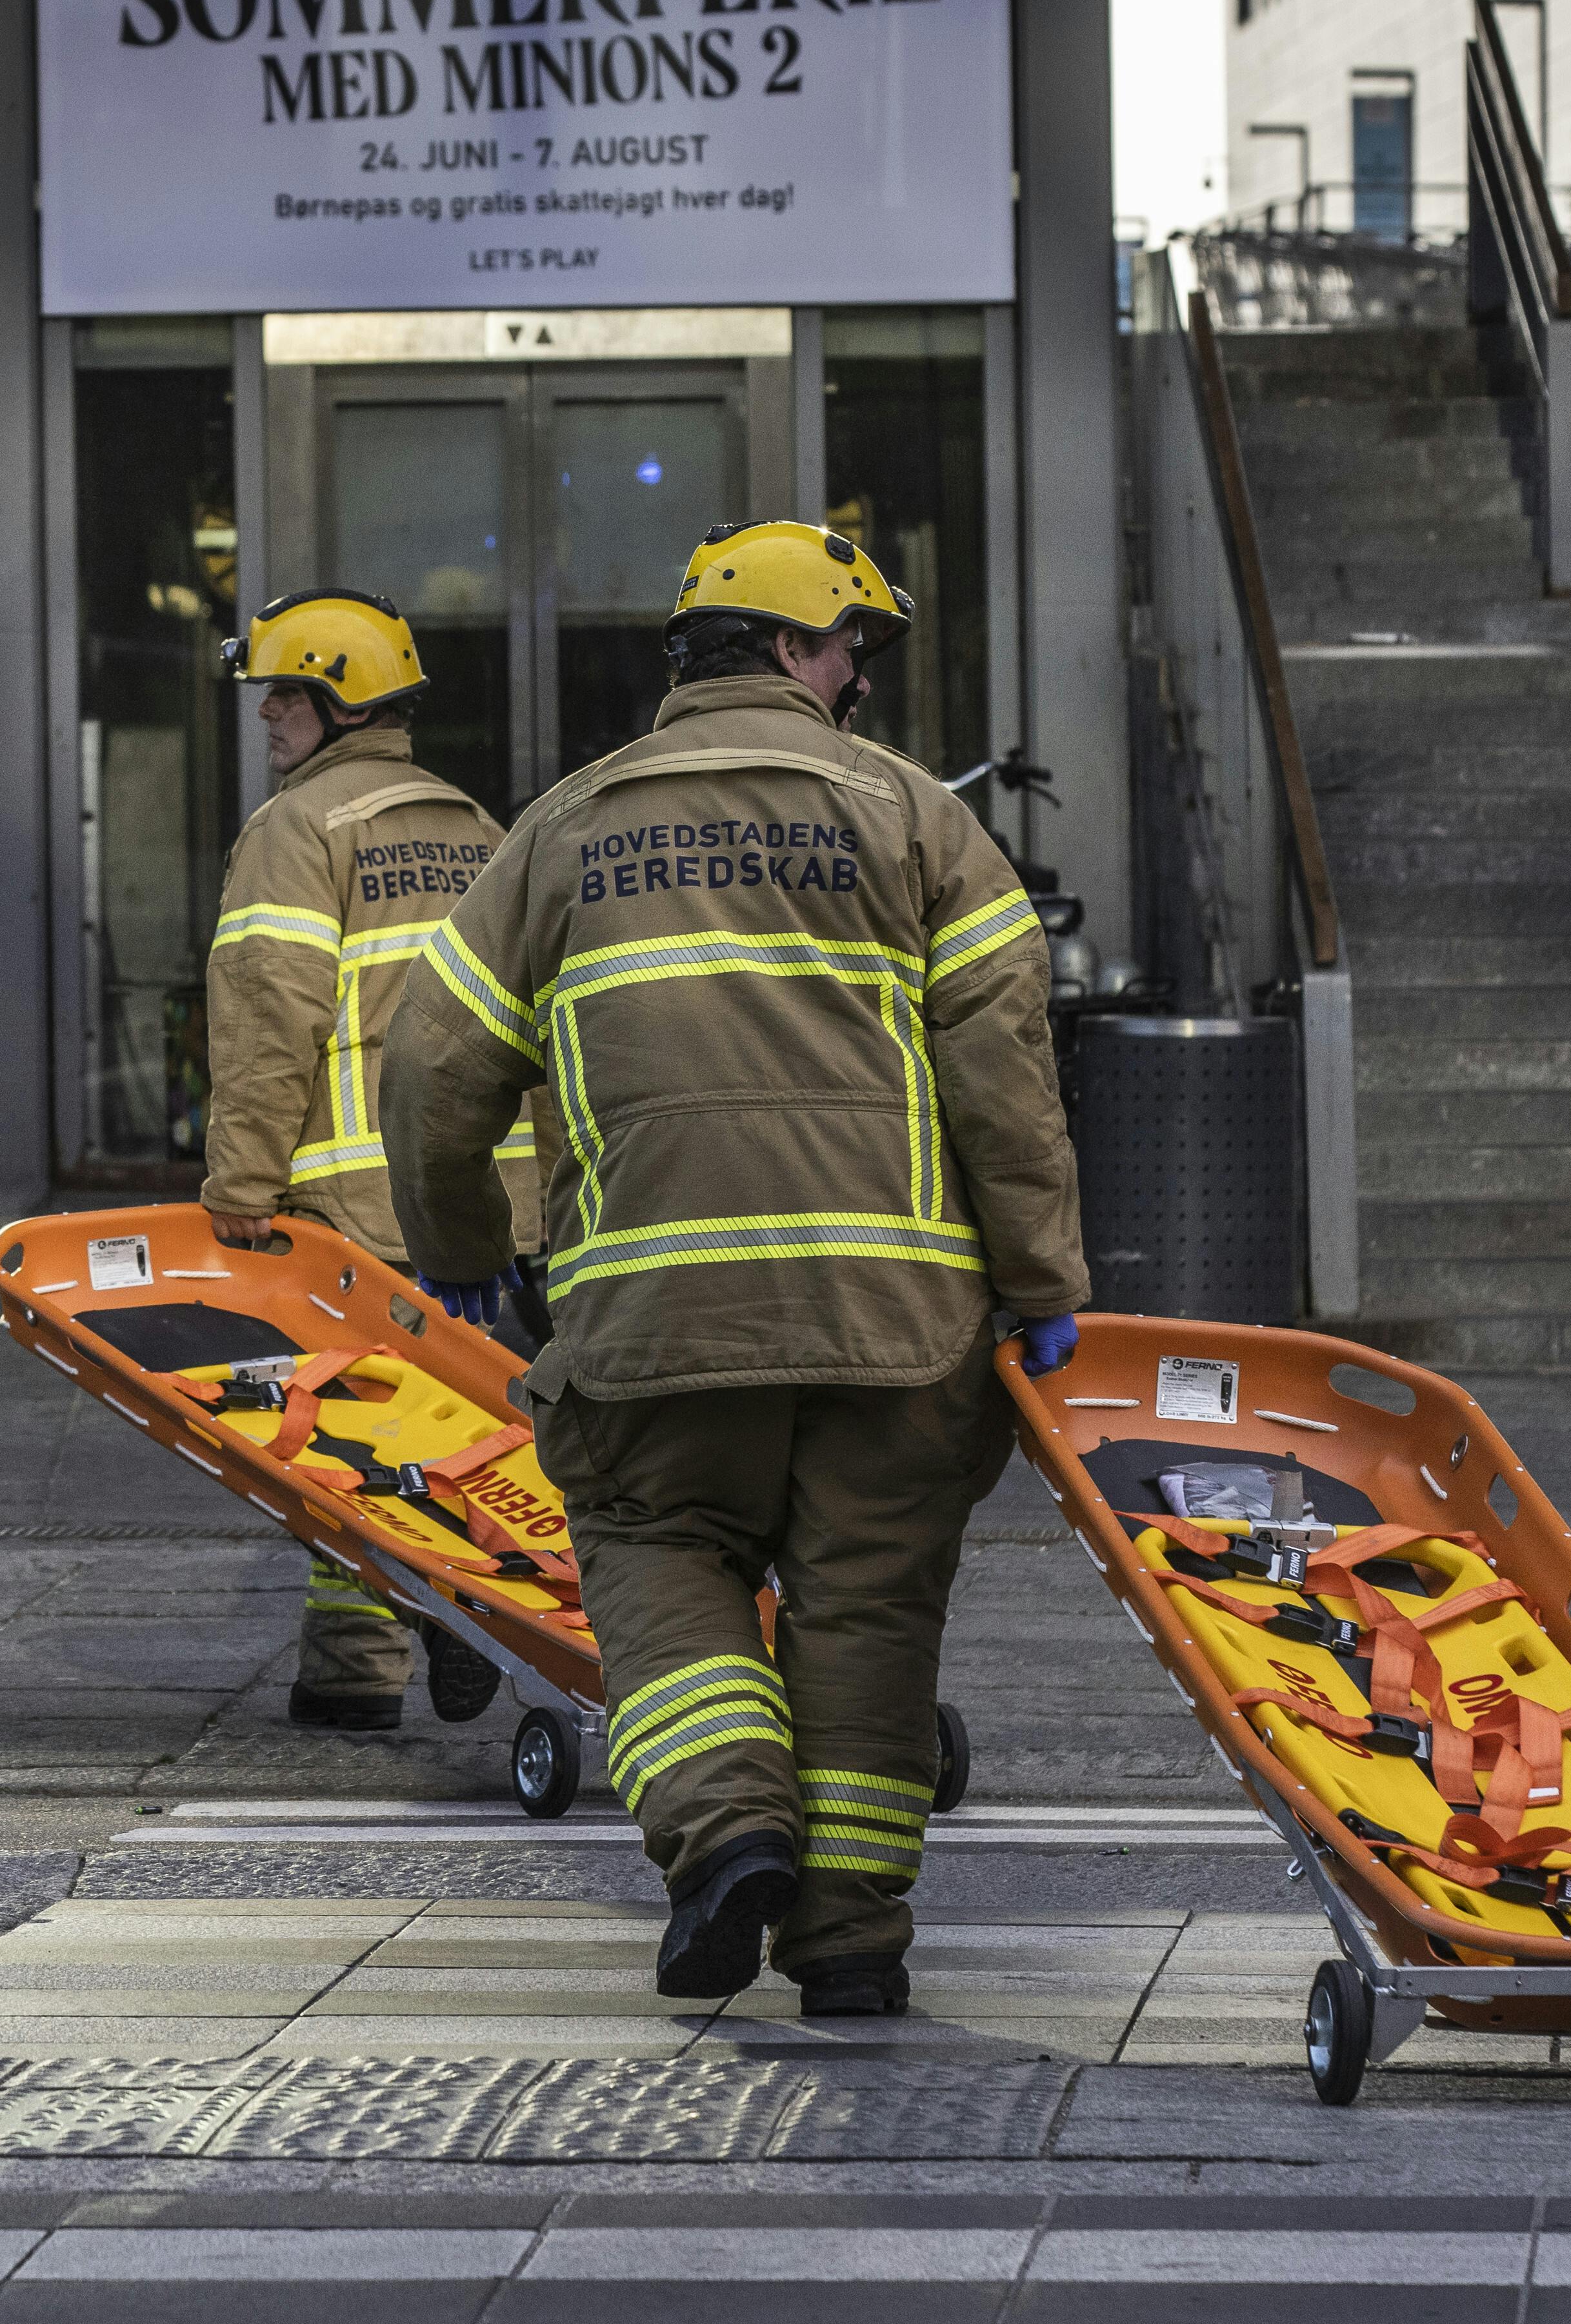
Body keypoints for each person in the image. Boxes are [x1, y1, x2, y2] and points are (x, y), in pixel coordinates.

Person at [383, 521, 1084, 2020]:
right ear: (786, 646)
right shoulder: (916, 822)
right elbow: (1005, 1067)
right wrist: (1040, 1279)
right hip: (895, 1330)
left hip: (652, 1326)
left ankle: (727, 1828)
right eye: (851, 650)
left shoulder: (559, 831)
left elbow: (433, 1063)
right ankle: (849, 1942)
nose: (862, 683)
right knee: (869, 1612)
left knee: (654, 1553)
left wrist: (464, 1253)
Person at [202, 588, 542, 1734]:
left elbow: (268, 1021)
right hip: (492, 1205)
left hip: (357, 1204)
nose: (268, 717)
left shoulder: (297, 833)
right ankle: (353, 1666)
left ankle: (409, 1622)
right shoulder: (479, 830)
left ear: (345, 703)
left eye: (287, 694)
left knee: (339, 1434)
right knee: (453, 1430)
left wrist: (242, 1187)